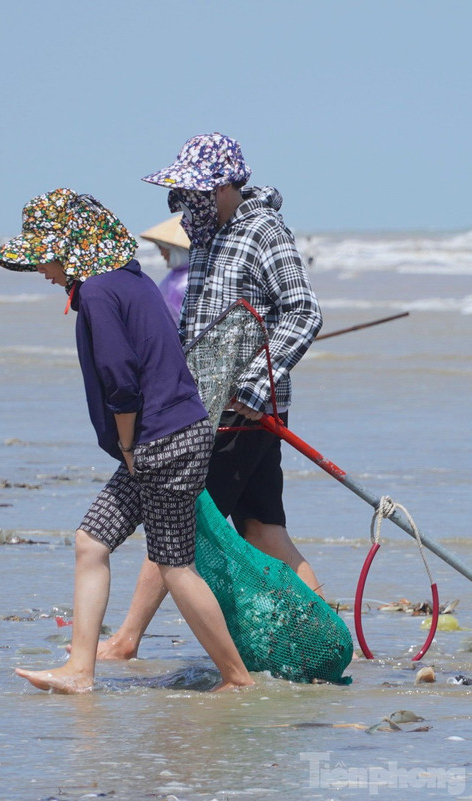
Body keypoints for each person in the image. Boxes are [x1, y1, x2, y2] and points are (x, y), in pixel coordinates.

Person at [0, 188, 253, 693]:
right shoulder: (129, 279)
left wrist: (129, 448)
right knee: (91, 541)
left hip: (160, 443)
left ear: (69, 249)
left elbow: (122, 381)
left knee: (175, 565)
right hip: (171, 437)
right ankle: (80, 672)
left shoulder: (97, 293)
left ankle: (237, 679)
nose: (43, 273)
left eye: (44, 259)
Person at [95, 132, 325, 661]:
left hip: (241, 412)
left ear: (224, 187)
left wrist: (253, 386)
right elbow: (198, 323)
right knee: (263, 530)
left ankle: (126, 640)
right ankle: (324, 629)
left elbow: (304, 311)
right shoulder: (207, 234)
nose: (183, 204)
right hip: (207, 405)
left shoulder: (263, 231)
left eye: (193, 191)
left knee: (175, 520)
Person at [139, 213, 191, 323]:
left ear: (176, 250)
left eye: (162, 248)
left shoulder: (185, 280)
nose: (162, 253)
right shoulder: (175, 276)